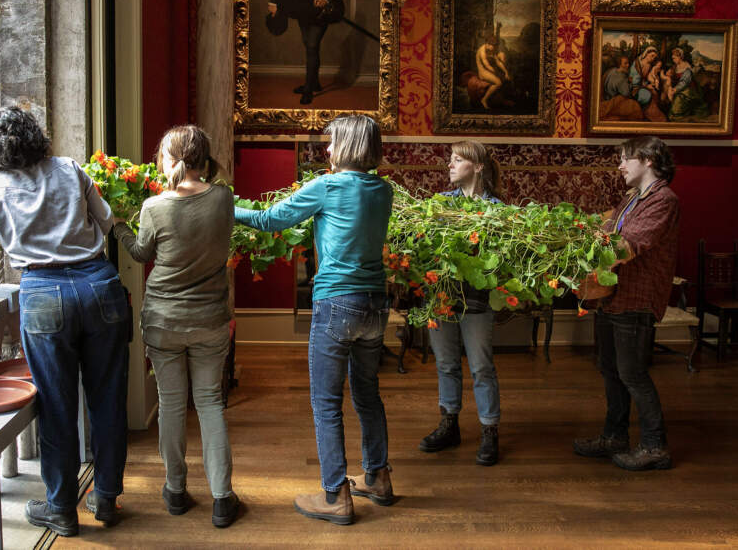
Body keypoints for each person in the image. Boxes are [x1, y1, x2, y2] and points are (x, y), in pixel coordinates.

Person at [0, 107, 129, 537]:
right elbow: (105, 221)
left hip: (43, 293)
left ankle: (61, 508)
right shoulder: (69, 169)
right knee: (107, 398)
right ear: (35, 136)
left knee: (56, 406)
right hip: (99, 284)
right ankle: (105, 497)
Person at [235, 115, 393, 525]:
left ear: (349, 146)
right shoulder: (384, 190)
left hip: (337, 304)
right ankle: (378, 478)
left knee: (326, 403)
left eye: (333, 143)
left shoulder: (329, 186)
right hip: (377, 305)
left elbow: (269, 221)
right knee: (367, 394)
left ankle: (335, 495)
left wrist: (224, 205)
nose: (327, 150)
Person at [112, 125, 240, 528]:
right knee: (209, 404)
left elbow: (139, 252)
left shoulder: (154, 207)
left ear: (168, 161)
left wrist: (116, 224)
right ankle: (222, 499)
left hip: (164, 320)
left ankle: (176, 491)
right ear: (203, 160)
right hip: (210, 321)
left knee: (170, 404)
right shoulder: (224, 198)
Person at [574, 136, 679, 471]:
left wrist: (583, 251)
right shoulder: (632, 197)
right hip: (611, 296)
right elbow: (607, 228)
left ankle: (654, 447)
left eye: (625, 158)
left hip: (637, 297)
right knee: (610, 370)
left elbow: (629, 244)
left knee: (632, 373)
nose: (620, 165)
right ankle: (614, 436)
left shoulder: (663, 200)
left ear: (648, 159)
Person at [419, 141, 504, 466]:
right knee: (446, 364)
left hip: (478, 299)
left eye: (458, 160)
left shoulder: (496, 209)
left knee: (481, 367)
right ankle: (449, 423)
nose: (450, 166)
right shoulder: (439, 204)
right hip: (441, 296)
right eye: (450, 160)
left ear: (478, 166)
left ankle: (489, 431)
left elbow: (498, 260)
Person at [665, 46, 708, 121]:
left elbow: (684, 82)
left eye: (674, 58)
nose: (673, 60)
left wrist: (674, 90)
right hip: (678, 89)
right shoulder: (675, 66)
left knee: (677, 106)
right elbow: (669, 75)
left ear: (680, 57)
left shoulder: (686, 68)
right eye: (672, 58)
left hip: (688, 90)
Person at [474, 23, 511, 109]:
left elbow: (498, 62)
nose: (493, 48)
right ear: (487, 43)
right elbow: (486, 65)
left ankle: (502, 99)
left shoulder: (491, 50)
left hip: (489, 70)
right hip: (483, 72)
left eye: (494, 46)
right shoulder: (482, 51)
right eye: (491, 45)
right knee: (498, 82)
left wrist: (506, 72)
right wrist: (496, 72)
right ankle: (484, 100)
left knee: (506, 77)